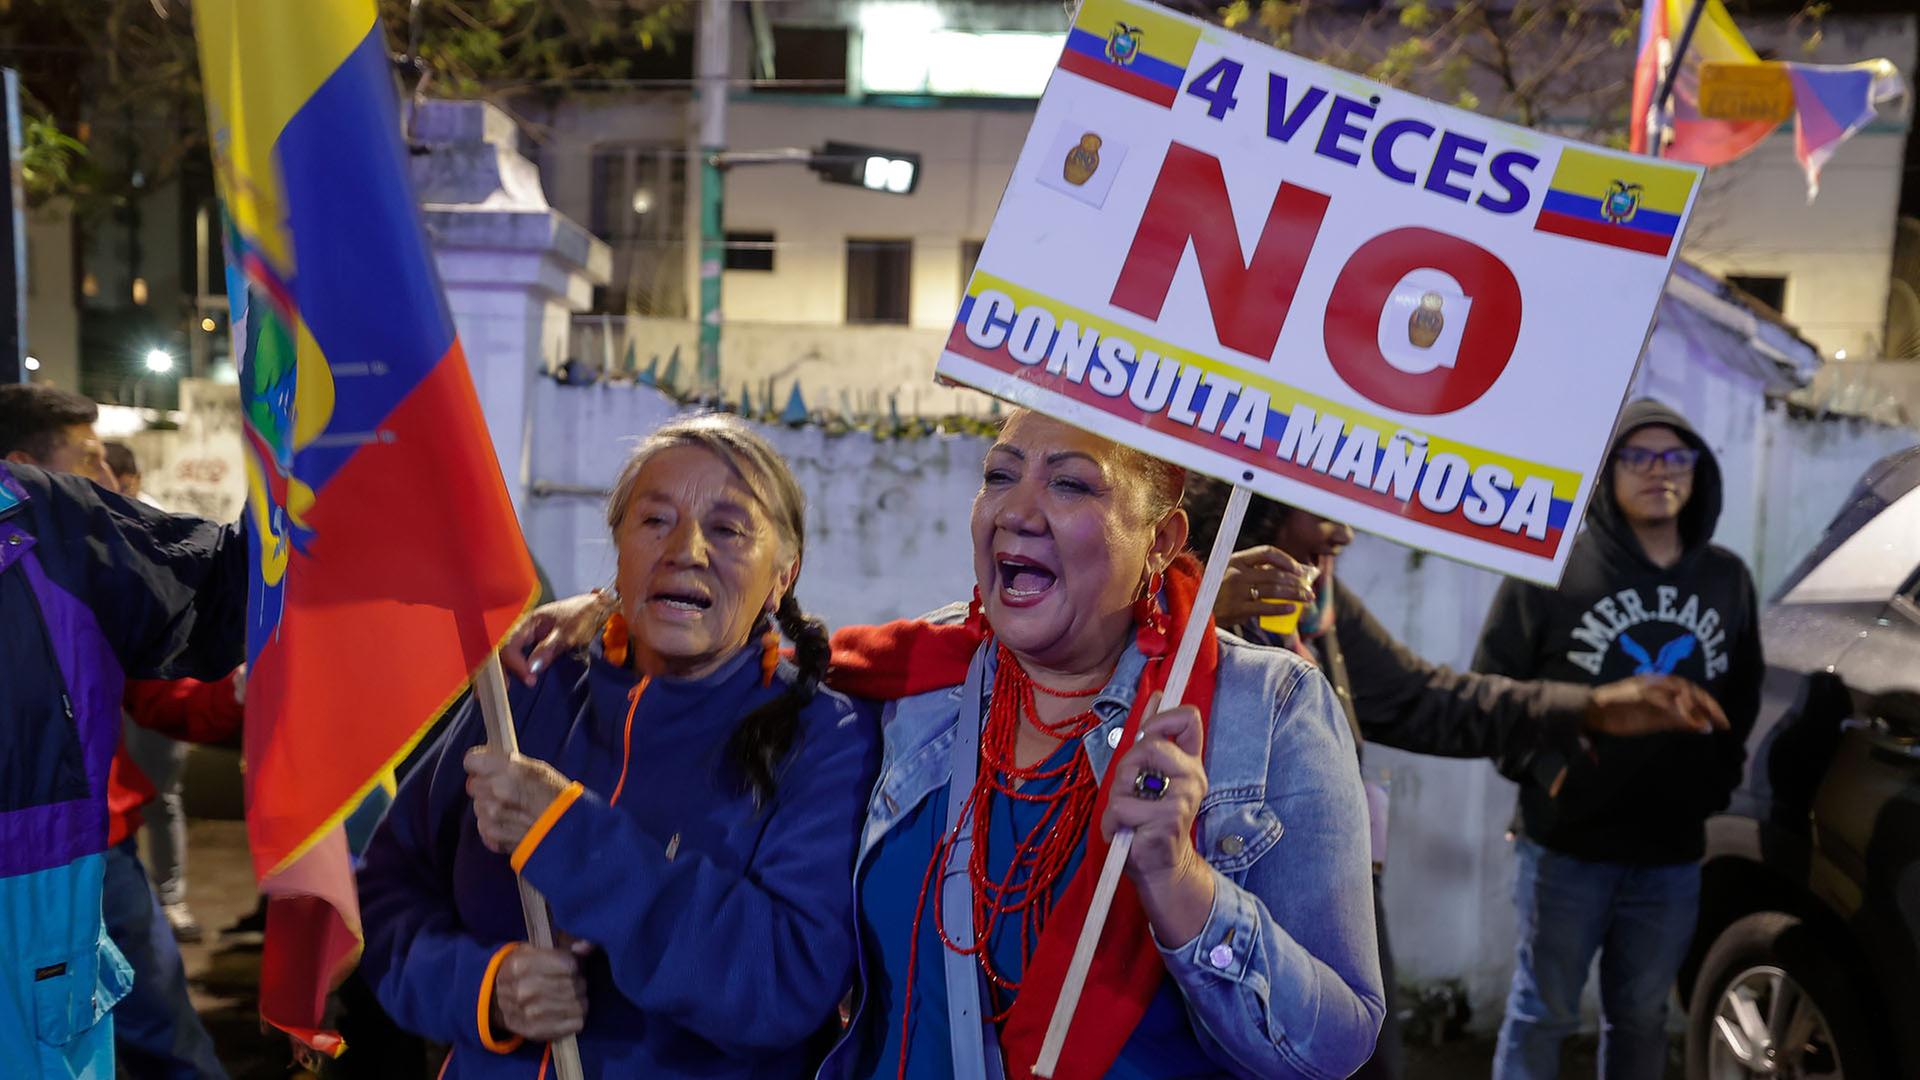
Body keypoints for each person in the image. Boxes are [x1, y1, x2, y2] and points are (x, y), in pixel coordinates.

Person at [511, 410, 1385, 1077]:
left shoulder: (1266, 714)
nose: (1020, 510)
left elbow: (1336, 1043)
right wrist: (616, 608)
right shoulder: (910, 685)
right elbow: (756, 645)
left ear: (1160, 540)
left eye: (1073, 485)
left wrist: (1179, 881)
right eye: (1000, 474)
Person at [357, 414, 878, 1077]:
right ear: (619, 550)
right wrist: (484, 989)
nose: (685, 550)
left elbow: (783, 982)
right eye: (654, 521)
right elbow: (383, 892)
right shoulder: (528, 687)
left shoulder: (825, 739)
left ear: (782, 576)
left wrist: (568, 834)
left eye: (727, 529)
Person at [1181, 478, 1727, 1080]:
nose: (1344, 531)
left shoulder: (1320, 607)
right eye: (1322, 507)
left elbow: (1427, 699)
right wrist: (1198, 613)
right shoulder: (1182, 590)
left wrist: (1591, 707)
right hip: (1219, 892)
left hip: (1331, 893)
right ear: (1263, 501)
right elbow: (1118, 704)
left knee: (1359, 1059)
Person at [1472, 399, 1764, 1080]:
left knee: (1641, 1019)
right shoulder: (1551, 569)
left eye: (1675, 456)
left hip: (1672, 853)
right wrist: (1548, 774)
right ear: (1607, 473)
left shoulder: (1726, 578)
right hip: (1566, 848)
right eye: (1639, 456)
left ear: (1698, 471)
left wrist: (1715, 781)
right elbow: (1492, 691)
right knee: (1541, 1011)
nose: (1659, 470)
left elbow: (1743, 691)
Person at [0, 383, 247, 1075]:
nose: (114, 482)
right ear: (30, 463)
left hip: (78, 883)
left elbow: (187, 670)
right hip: (77, 880)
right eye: (92, 461)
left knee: (171, 1043)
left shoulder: (66, 544)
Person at [104, 438, 204, 946]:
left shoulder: (156, 531)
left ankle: (171, 898)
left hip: (153, 687)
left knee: (161, 797)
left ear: (133, 481)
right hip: (110, 693)